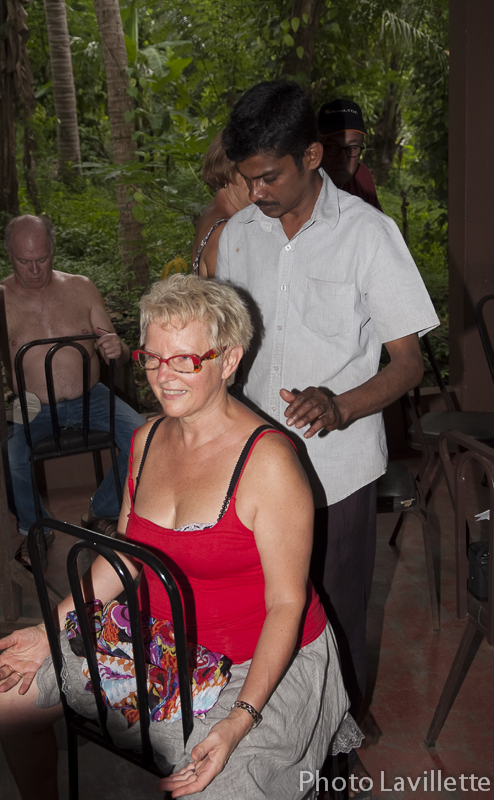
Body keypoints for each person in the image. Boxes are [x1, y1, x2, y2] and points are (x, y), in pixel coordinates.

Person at [0, 274, 361, 800]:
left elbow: (286, 605)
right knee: (8, 698)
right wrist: (52, 629)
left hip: (253, 659)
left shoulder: (268, 462)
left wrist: (239, 720)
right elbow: (125, 558)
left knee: (211, 789)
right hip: (157, 639)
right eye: (153, 359)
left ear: (229, 360)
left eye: (185, 360)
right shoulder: (146, 438)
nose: (164, 377)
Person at [216, 80, 439, 793]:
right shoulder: (238, 235)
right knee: (264, 609)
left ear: (311, 156)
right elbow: (228, 348)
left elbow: (408, 364)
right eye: (246, 177)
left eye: (268, 176)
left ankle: (336, 755)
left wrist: (340, 406)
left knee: (334, 613)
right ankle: (270, 742)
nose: (255, 192)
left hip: (336, 469)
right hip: (255, 469)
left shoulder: (368, 235)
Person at [0, 215, 144, 562]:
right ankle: (37, 528)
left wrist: (116, 348)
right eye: (24, 261)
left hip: (92, 395)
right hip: (29, 402)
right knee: (7, 453)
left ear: (52, 250)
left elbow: (119, 351)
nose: (34, 270)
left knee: (144, 437)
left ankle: (100, 509)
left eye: (42, 259)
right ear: (9, 255)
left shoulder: (81, 287)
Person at [192, 131, 250, 278]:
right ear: (227, 172)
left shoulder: (215, 213)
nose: (260, 187)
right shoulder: (224, 232)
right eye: (249, 176)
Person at [318, 98, 383, 211]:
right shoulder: (300, 190)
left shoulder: (362, 175)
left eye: (353, 148)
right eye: (333, 147)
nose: (343, 159)